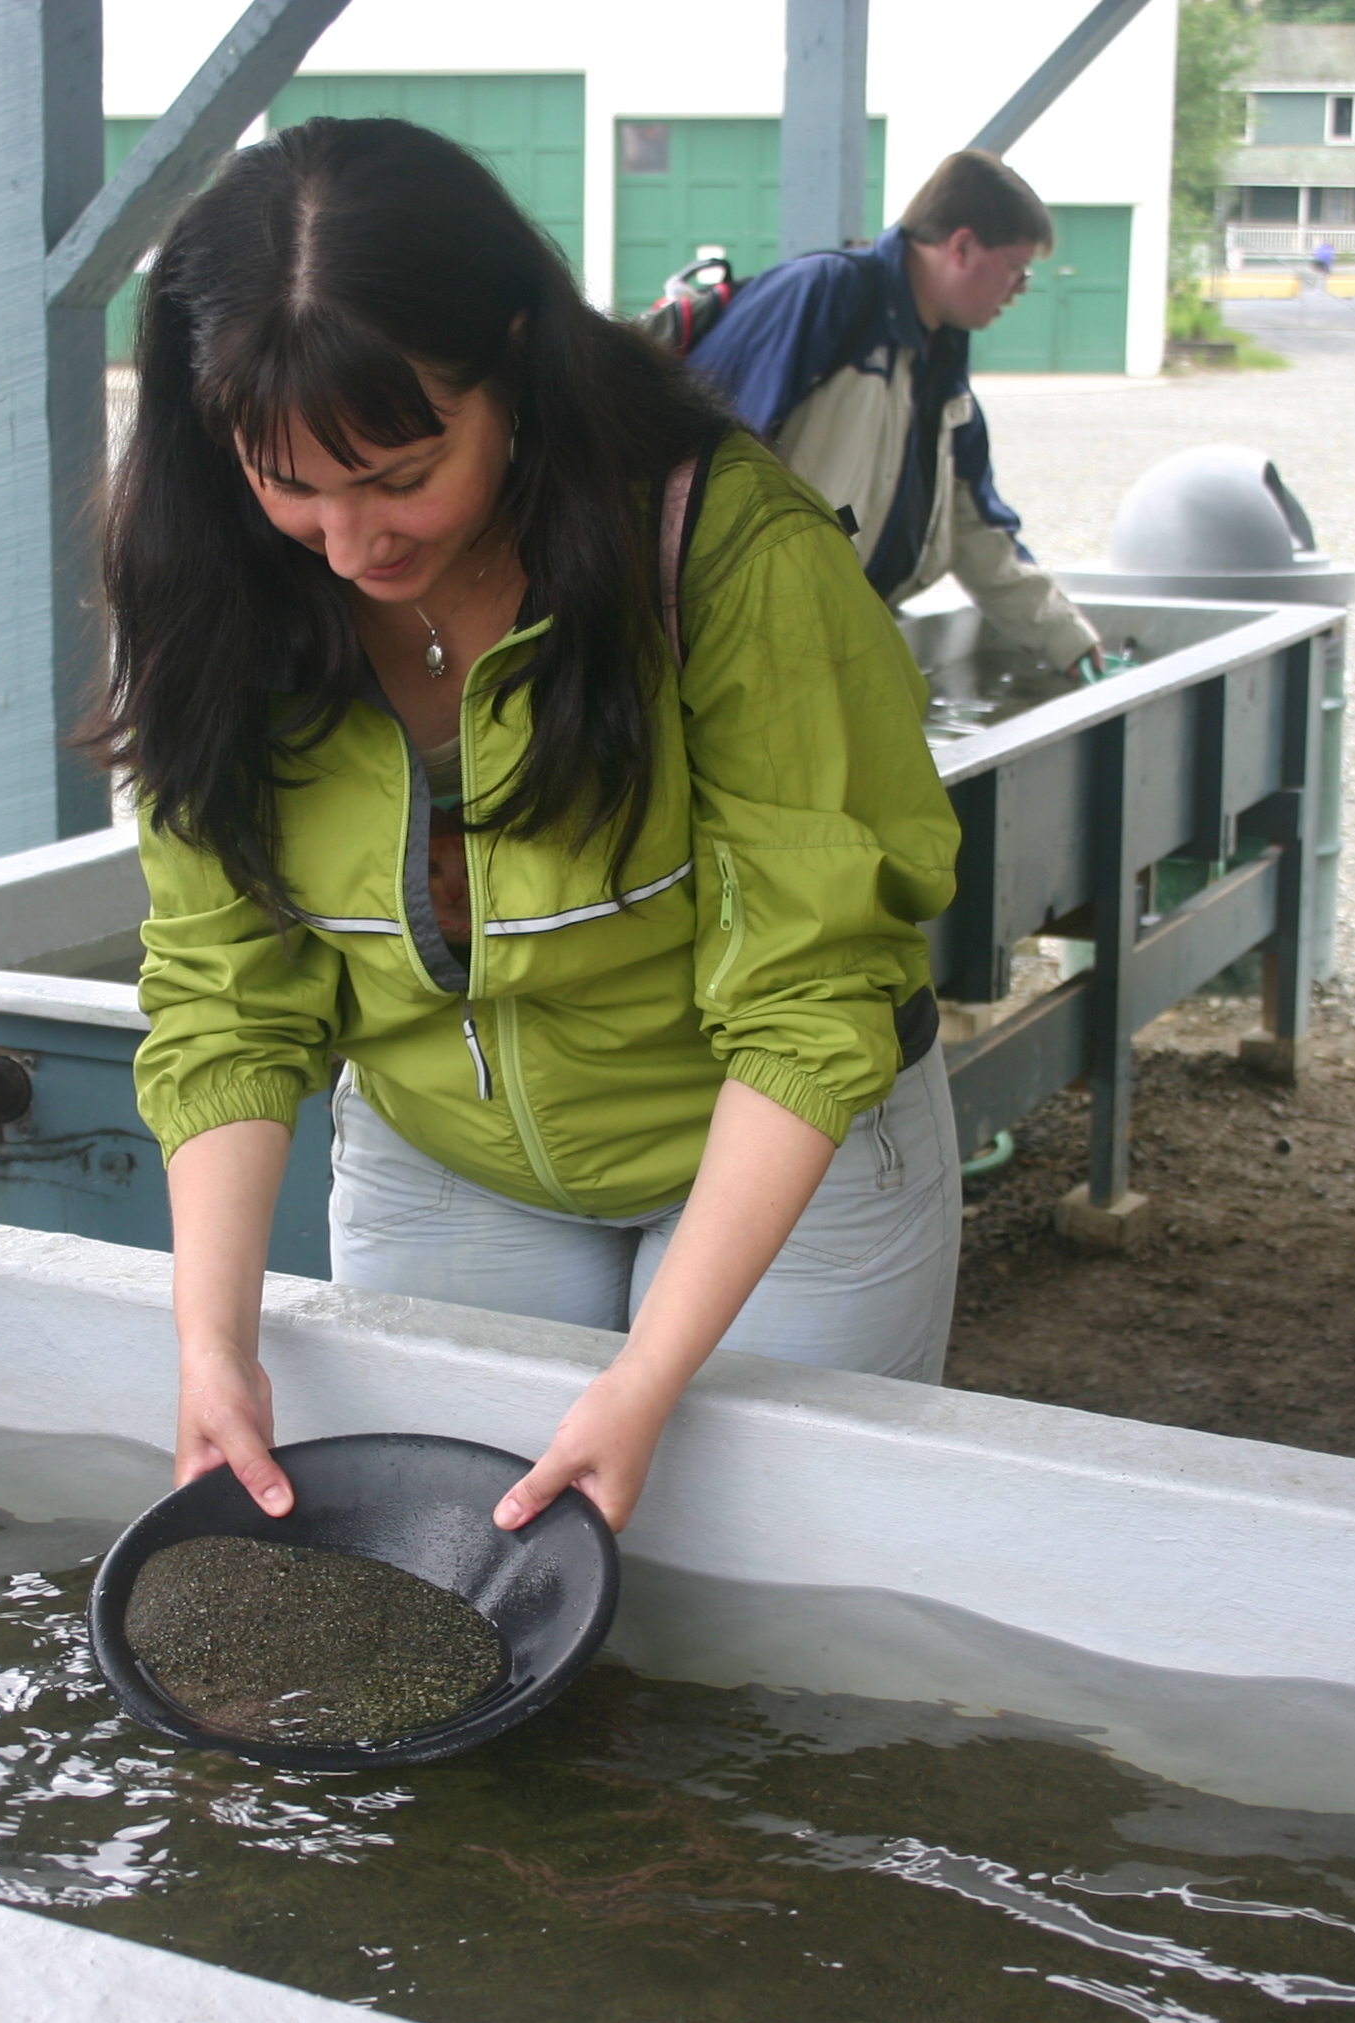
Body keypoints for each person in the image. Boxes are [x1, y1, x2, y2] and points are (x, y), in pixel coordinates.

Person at [88, 118, 963, 1537]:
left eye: (398, 476)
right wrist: (213, 1341)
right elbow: (225, 998)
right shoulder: (210, 580)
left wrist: (650, 1376)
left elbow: (810, 996)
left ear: (512, 363)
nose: (352, 546)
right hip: (447, 1161)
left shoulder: (726, 547)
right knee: (447, 1576)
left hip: (774, 1157)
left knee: (767, 1587)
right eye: (291, 485)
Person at [686, 148, 1100, 674]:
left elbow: (975, 524)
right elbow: (700, 453)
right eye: (1016, 269)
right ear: (963, 246)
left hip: (838, 633)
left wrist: (1066, 640)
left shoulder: (941, 354)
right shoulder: (825, 294)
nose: (1019, 291)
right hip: (750, 639)